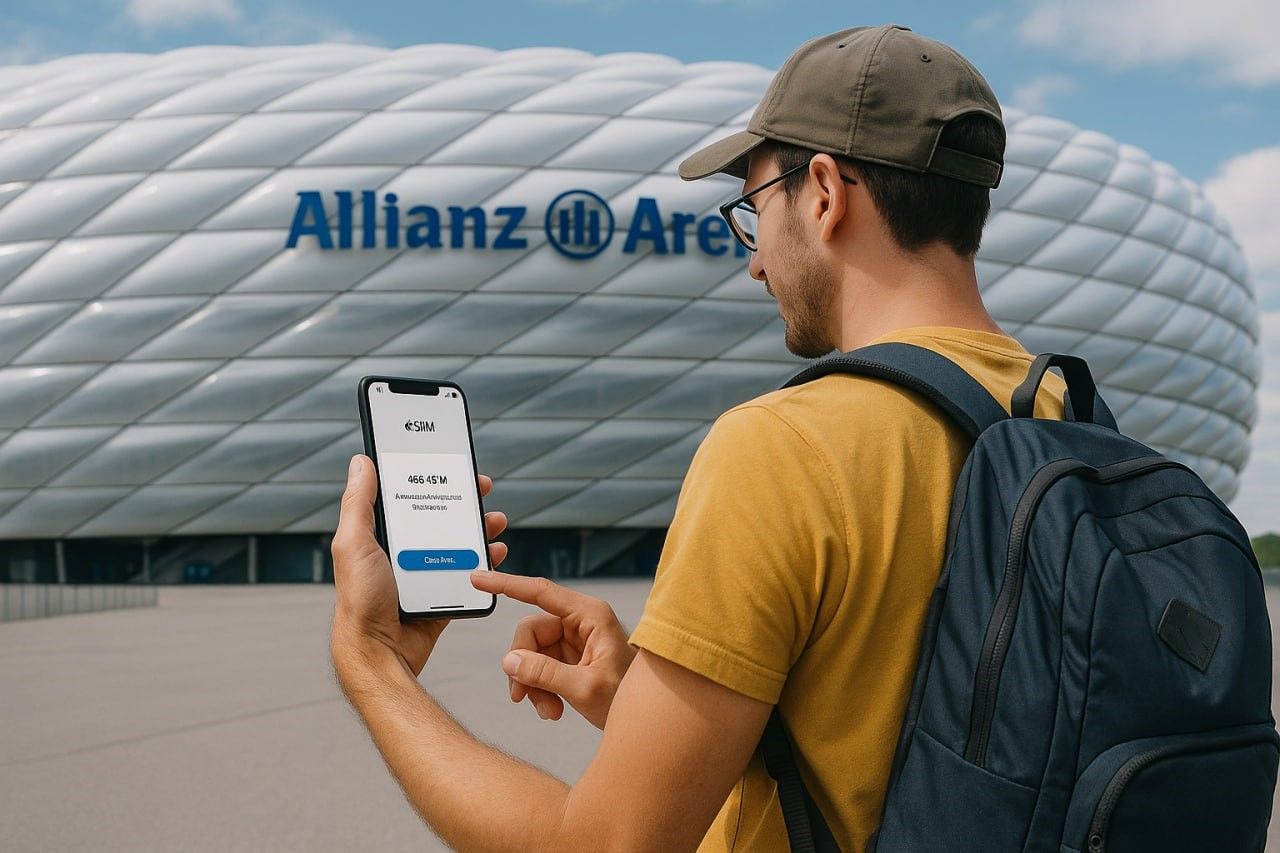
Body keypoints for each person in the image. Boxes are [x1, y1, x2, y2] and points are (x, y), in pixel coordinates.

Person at [329, 23, 1069, 852]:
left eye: (754, 210)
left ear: (823, 193)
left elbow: (604, 847)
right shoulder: (1066, 416)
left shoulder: (786, 448)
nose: (755, 264)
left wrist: (373, 663)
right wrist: (651, 709)